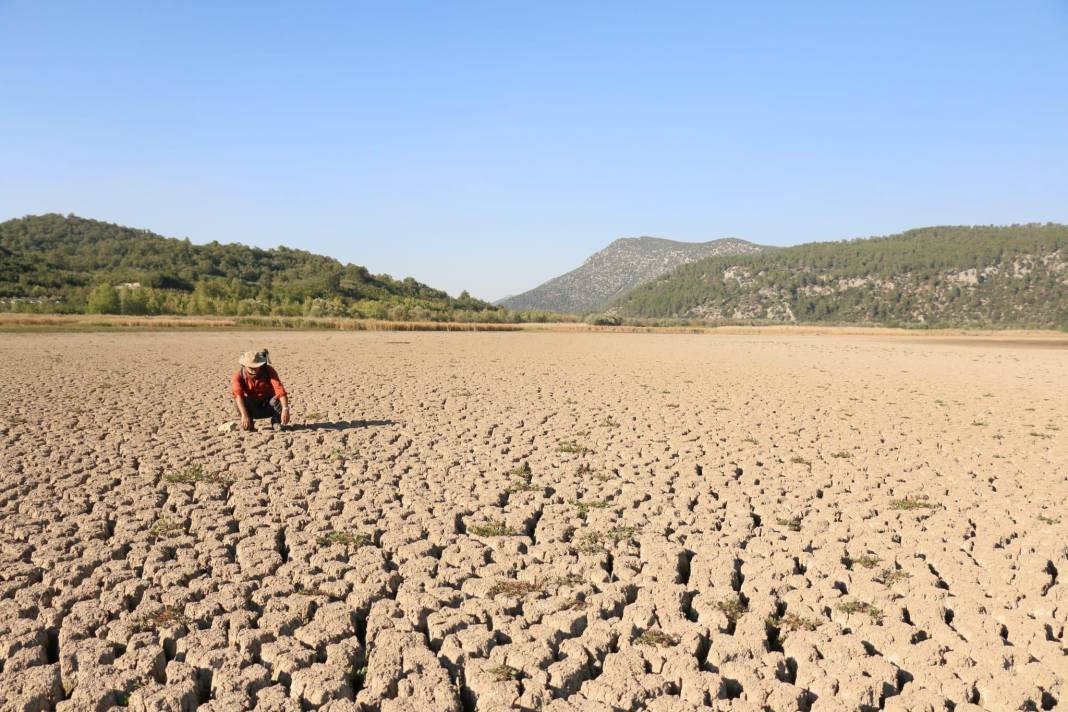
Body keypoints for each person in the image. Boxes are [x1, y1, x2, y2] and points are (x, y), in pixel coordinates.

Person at [232, 349, 290, 431]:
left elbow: (280, 390)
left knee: (279, 399)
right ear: (244, 365)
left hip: (268, 406)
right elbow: (238, 395)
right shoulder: (238, 376)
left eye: (255, 366)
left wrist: (285, 409)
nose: (253, 369)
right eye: (250, 367)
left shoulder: (268, 371)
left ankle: (276, 421)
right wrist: (244, 415)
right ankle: (249, 423)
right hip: (252, 408)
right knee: (238, 402)